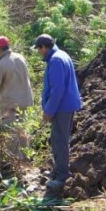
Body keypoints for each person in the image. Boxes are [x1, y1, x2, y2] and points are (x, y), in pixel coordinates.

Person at [36, 33, 82, 194]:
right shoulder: (61, 55)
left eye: (38, 49)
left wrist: (49, 110)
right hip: (65, 105)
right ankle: (58, 170)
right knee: (57, 138)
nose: (38, 52)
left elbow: (58, 89)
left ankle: (62, 176)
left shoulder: (55, 60)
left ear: (44, 47)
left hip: (61, 107)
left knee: (60, 140)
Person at [0, 35, 33, 126]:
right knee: (22, 130)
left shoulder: (1, 64)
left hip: (10, 105)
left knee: (11, 133)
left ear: (0, 48)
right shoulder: (20, 57)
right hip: (25, 102)